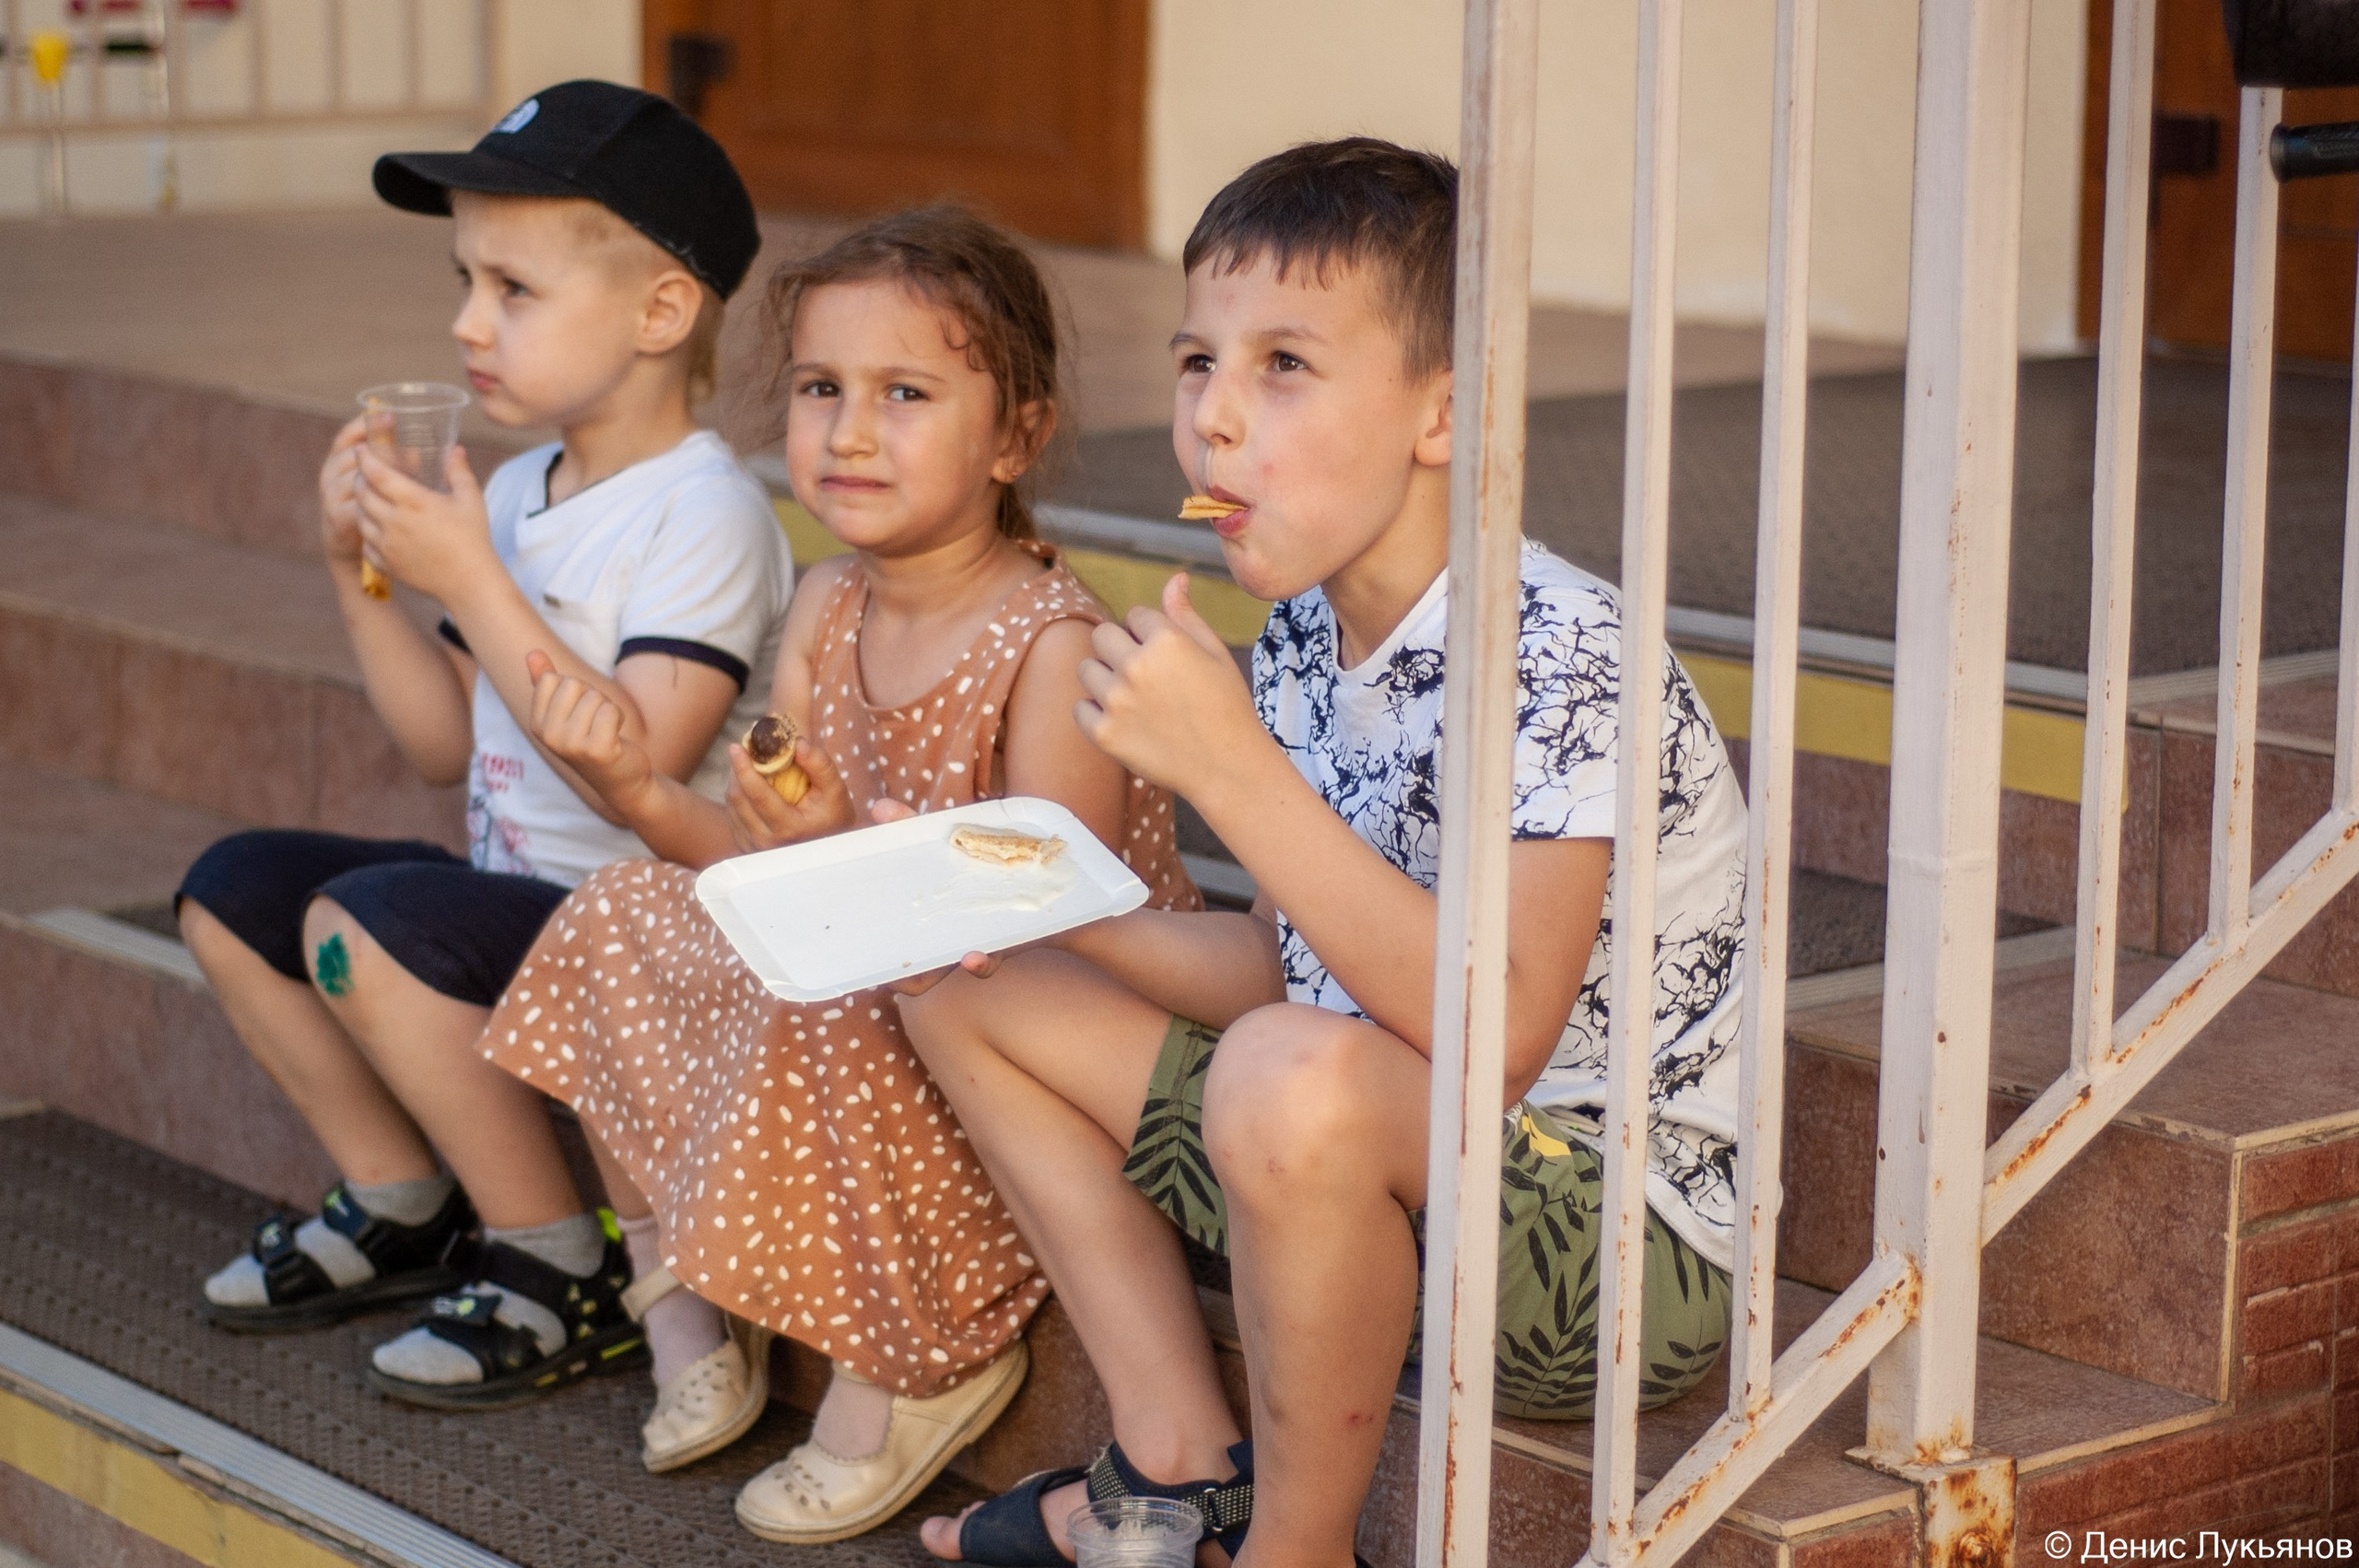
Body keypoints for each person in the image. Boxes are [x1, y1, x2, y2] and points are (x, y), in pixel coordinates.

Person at [896, 138, 1747, 1566]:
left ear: (1445, 410)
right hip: (1349, 1151)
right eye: (1195, 363)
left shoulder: (1561, 654)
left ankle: (1296, 1553)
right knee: (961, 980)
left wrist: (1230, 769)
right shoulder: (1301, 636)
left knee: (1287, 1067)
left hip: (1605, 1237)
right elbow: (1295, 963)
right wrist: (1053, 902)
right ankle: (1178, 1469)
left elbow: (1498, 1034)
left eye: (1283, 365)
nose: (1213, 420)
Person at [463, 205, 1202, 1542]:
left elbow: (1038, 923)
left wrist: (838, 852)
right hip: (867, 981)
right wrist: (640, 790)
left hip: (1013, 1035)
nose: (850, 431)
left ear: (1016, 436)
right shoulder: (825, 605)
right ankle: (683, 1290)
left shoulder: (1051, 644)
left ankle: (921, 1353)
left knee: (869, 982)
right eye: (820, 389)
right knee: (621, 911)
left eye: (905, 393)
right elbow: (764, 871)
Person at [181, 80, 792, 1412]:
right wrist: (361, 574)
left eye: (513, 288)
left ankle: (559, 1261)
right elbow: (439, 747)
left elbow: (636, 764)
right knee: (234, 890)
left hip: (638, 936)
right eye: (464, 278)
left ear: (660, 311)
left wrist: (478, 576)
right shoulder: (515, 488)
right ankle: (404, 1198)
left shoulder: (706, 514)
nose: (467, 322)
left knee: (365, 921)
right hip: (506, 901)